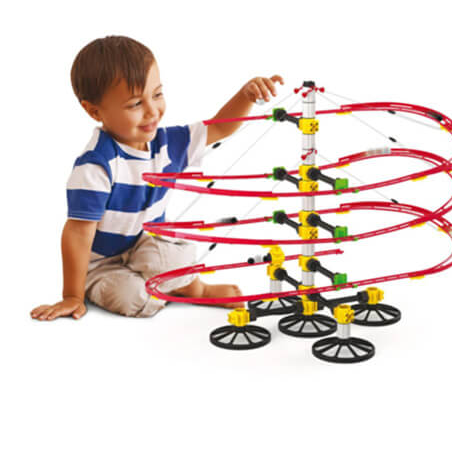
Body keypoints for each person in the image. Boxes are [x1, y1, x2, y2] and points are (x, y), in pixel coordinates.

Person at [30, 35, 284, 320]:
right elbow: (78, 233)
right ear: (94, 110)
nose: (152, 111)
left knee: (176, 255)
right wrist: (72, 296)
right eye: (135, 104)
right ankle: (155, 289)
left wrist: (245, 97)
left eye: (157, 94)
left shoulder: (167, 144)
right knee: (131, 298)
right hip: (103, 264)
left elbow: (220, 128)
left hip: (146, 246)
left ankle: (196, 289)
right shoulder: (96, 166)